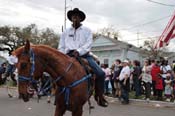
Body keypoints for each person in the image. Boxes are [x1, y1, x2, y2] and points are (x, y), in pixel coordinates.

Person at [58, 8, 108, 107]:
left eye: (77, 16)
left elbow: (88, 44)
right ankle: (57, 95)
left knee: (101, 73)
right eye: (73, 16)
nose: (75, 18)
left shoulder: (87, 31)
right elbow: (61, 46)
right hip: (67, 56)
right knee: (56, 72)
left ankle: (99, 96)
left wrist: (79, 51)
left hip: (83, 55)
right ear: (71, 18)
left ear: (80, 18)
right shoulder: (65, 32)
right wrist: (62, 55)